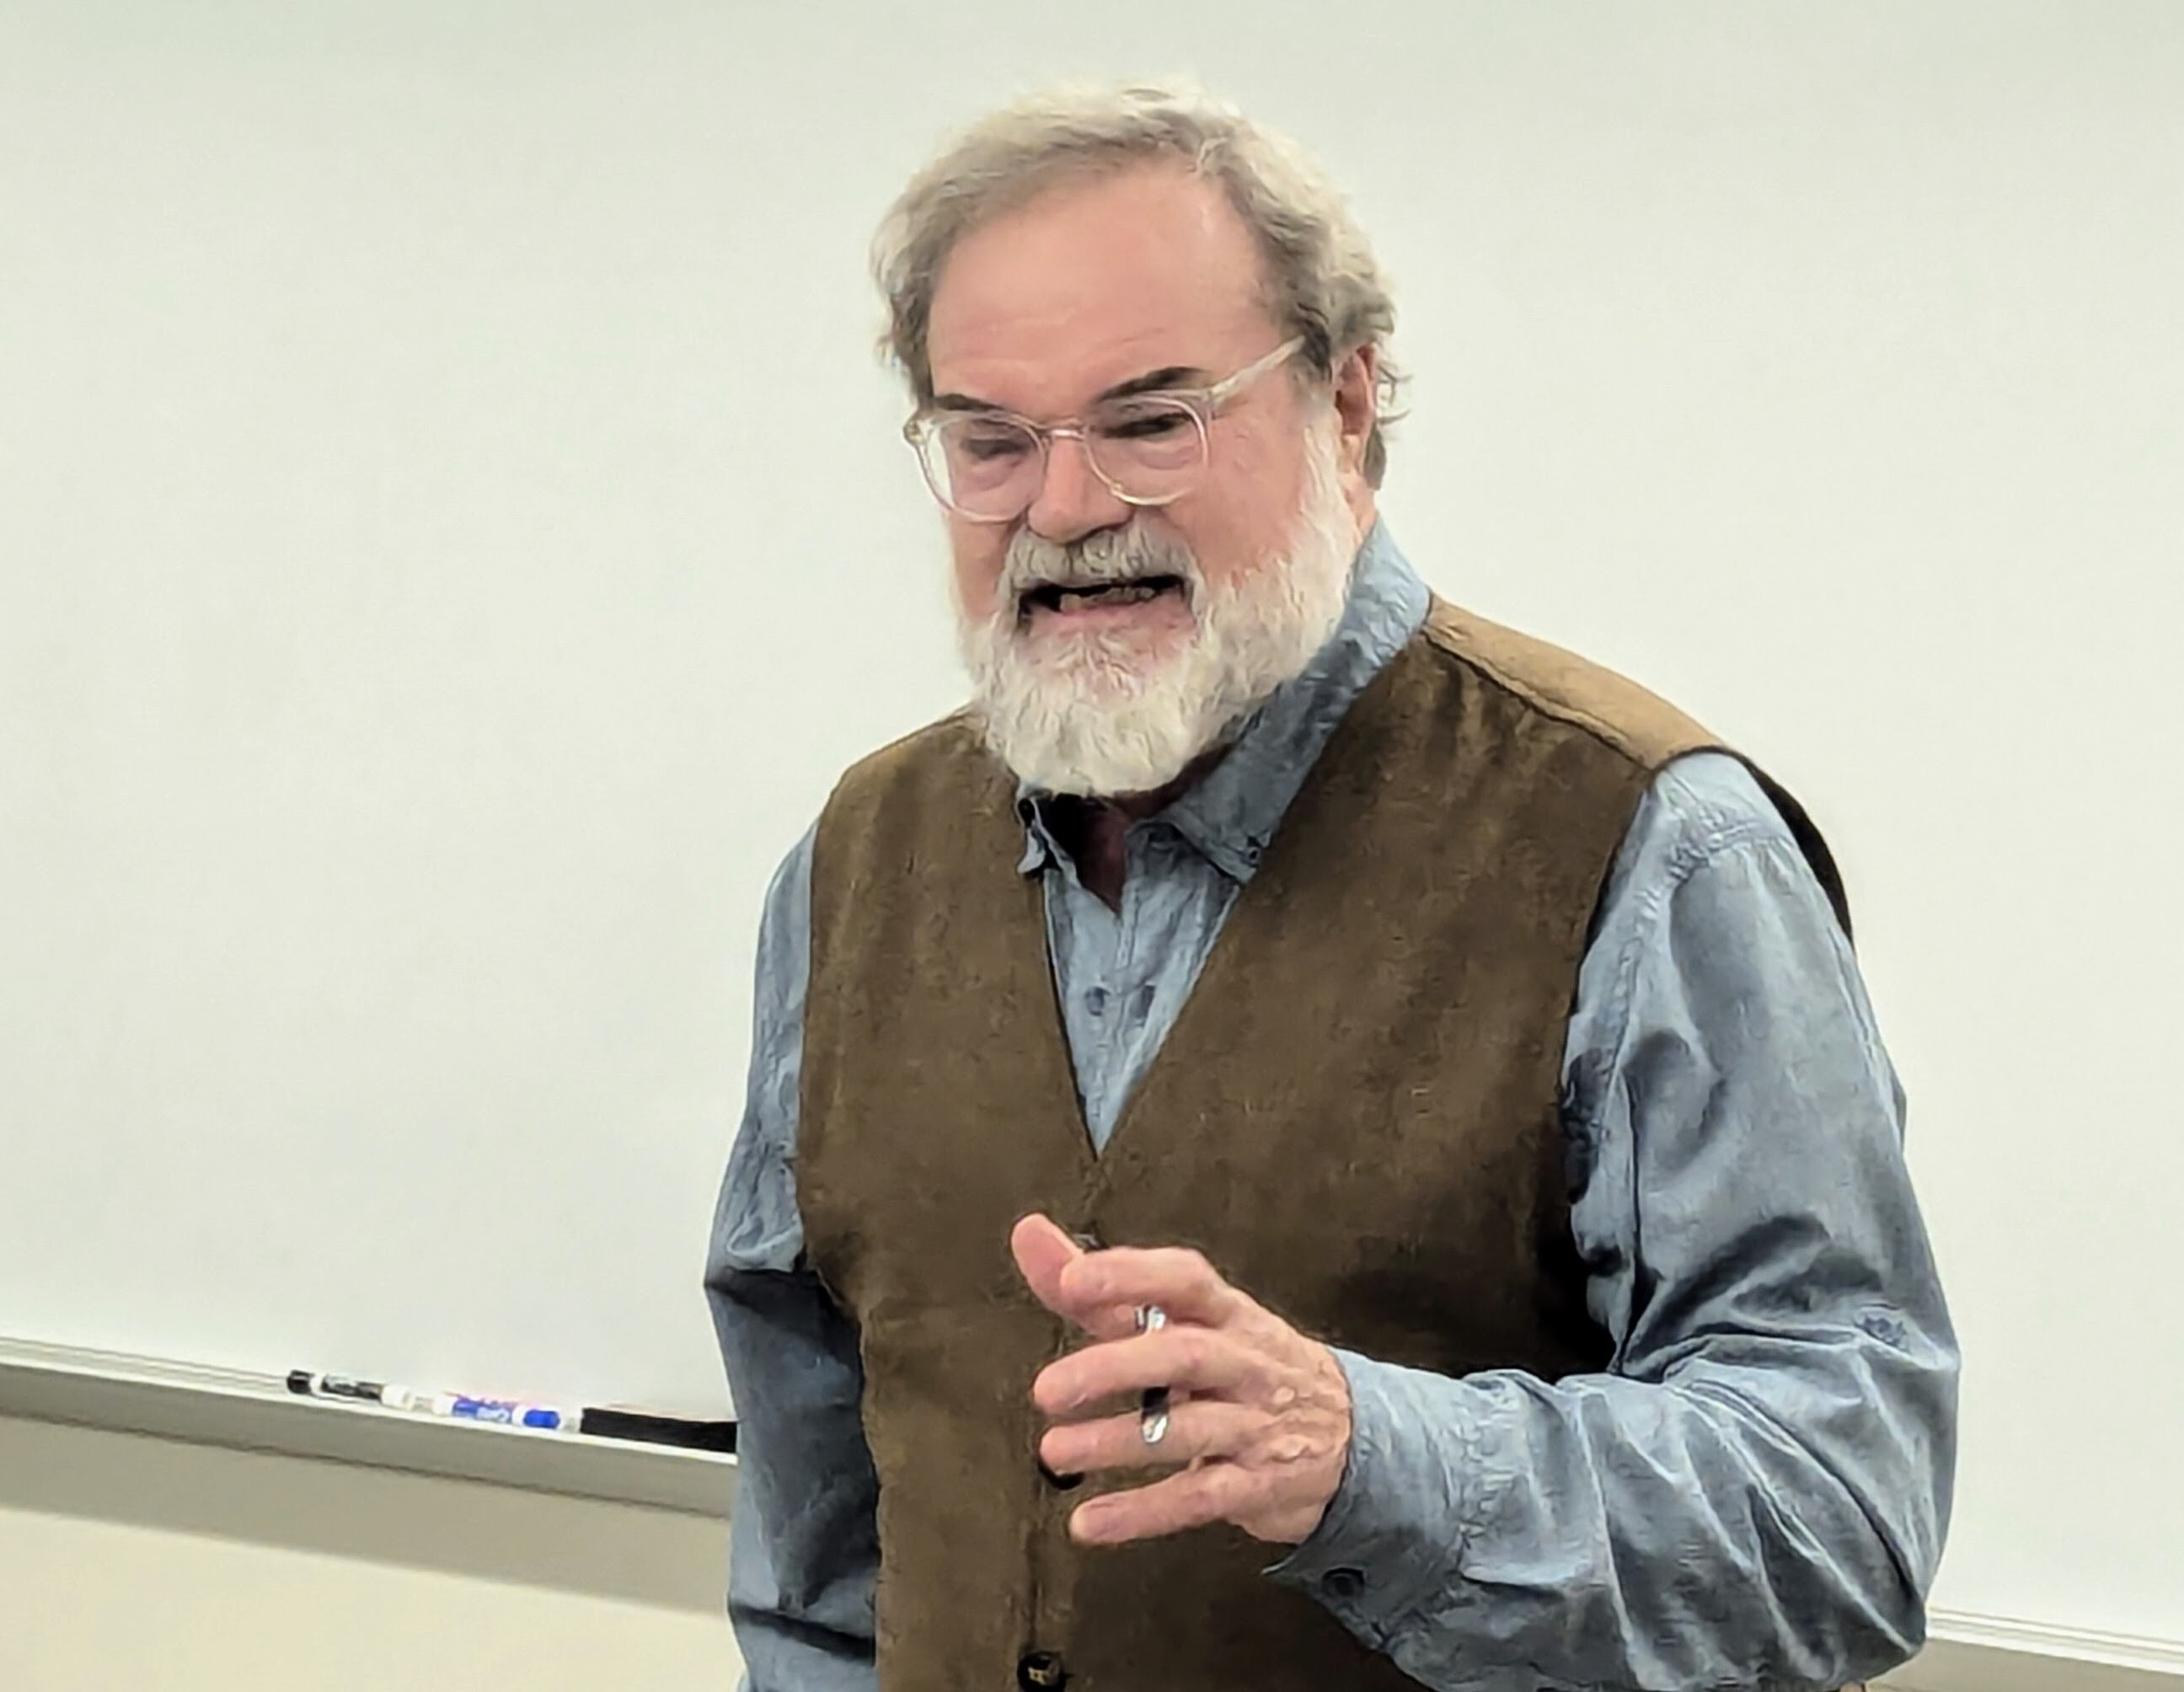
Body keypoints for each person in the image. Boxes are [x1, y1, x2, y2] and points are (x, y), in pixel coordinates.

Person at [705, 80, 1956, 1692]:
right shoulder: (856, 865)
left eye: (1152, 420)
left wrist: (1373, 1457)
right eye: (992, 441)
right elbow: (818, 1546)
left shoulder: (1651, 850)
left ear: (1349, 405)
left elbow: (1838, 1523)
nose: (1069, 509)